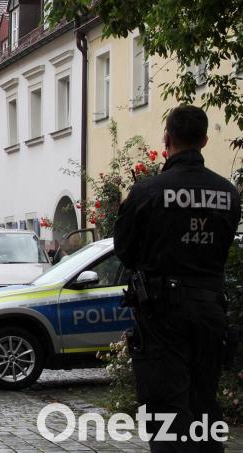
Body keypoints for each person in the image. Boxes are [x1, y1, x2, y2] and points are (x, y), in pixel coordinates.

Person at [114, 104, 241, 452]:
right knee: (204, 402)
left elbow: (125, 251)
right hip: (210, 311)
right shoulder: (227, 193)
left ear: (166, 139)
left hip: (162, 315)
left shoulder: (148, 192)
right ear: (204, 140)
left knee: (166, 411)